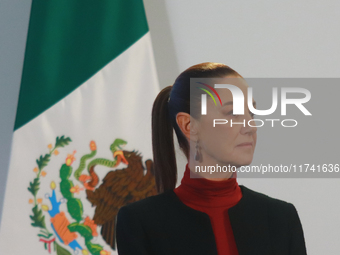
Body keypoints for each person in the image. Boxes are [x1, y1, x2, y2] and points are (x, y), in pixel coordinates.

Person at [116, 62, 307, 255]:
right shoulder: (140, 223)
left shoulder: (281, 218)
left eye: (252, 113)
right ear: (189, 125)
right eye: (232, 113)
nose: (251, 126)